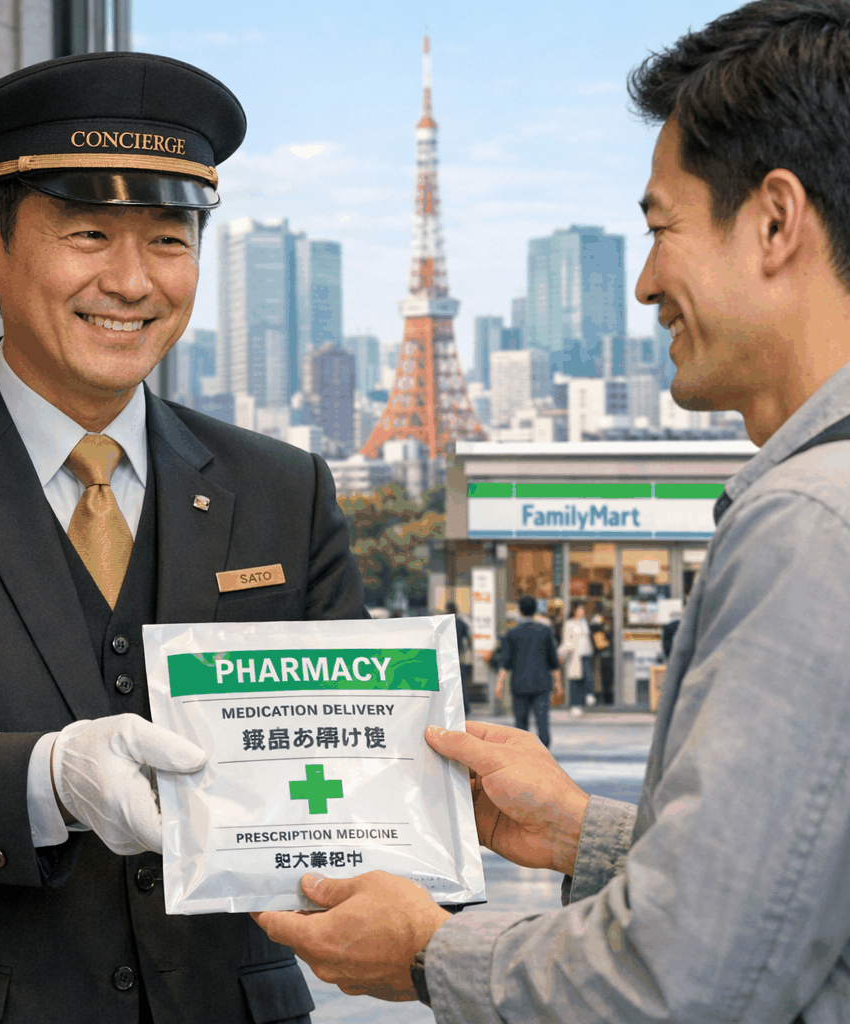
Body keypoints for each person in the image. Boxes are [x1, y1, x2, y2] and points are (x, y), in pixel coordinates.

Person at [253, 2, 850, 1018]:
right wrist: (584, 831)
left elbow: (680, 983)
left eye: (661, 227)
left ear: (775, 220)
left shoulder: (807, 527)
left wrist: (428, 950)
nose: (647, 281)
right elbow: (803, 889)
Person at [0, 53, 367, 1023]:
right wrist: (50, 777)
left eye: (168, 238)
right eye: (87, 234)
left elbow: (349, 753)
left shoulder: (284, 487)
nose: (130, 281)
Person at [492, 595, 560, 747]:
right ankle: (544, 752)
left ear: (520, 611)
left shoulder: (512, 633)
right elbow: (553, 661)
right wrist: (558, 683)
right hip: (541, 683)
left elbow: (506, 661)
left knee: (520, 721)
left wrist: (499, 684)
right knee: (542, 719)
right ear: (535, 610)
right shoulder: (545, 631)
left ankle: (522, 752)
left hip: (519, 683)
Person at [559, 600, 596, 715]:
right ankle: (576, 705)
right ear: (574, 610)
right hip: (575, 655)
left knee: (588, 677)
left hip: (585, 653)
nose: (582, 611)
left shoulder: (584, 622)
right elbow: (566, 640)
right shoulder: (569, 623)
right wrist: (561, 653)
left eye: (583, 609)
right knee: (576, 681)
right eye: (580, 609)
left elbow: (587, 638)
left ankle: (588, 695)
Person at [444, 600, 472, 715]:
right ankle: (465, 706)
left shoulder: (445, 623)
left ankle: (450, 706)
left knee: (447, 683)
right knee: (461, 682)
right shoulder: (460, 623)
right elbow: (468, 638)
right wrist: (469, 649)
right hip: (457, 655)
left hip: (446, 656)